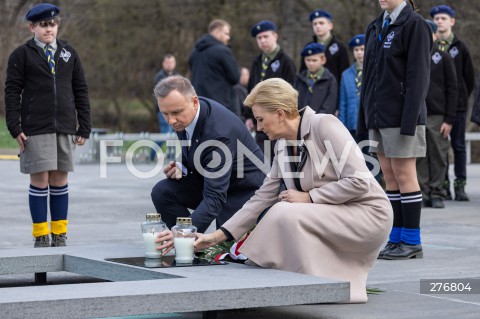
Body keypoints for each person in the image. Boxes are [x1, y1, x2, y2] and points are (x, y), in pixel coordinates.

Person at [158, 78, 392, 303]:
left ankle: (278, 272)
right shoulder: (282, 144)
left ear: (280, 114)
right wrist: (215, 237)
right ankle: (316, 285)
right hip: (331, 214)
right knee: (282, 209)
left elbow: (361, 181)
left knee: (284, 210)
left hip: (367, 214)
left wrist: (310, 197)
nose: (258, 128)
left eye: (260, 119)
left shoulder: (325, 125)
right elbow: (262, 197)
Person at [4, 3, 91, 247]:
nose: (49, 29)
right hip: (35, 128)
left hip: (64, 126)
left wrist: (84, 125)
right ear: (32, 27)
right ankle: (41, 234)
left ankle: (60, 232)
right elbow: (12, 93)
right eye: (43, 25)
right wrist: (15, 126)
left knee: (60, 180)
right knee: (40, 180)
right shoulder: (21, 55)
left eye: (53, 24)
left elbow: (80, 89)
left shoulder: (68, 52)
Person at [358, 0, 432, 260]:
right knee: (389, 176)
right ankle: (396, 238)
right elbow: (368, 76)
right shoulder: (376, 25)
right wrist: (363, 117)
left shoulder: (415, 25)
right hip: (378, 115)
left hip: (402, 117)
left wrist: (409, 120)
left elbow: (418, 76)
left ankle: (412, 240)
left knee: (404, 174)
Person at [150, 76, 265, 233]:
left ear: (195, 102)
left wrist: (184, 234)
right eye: (165, 114)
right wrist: (181, 166)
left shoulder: (219, 132)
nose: (171, 121)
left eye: (176, 112)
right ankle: (190, 249)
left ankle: (186, 242)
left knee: (226, 253)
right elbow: (194, 148)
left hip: (244, 192)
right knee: (162, 192)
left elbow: (215, 198)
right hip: (216, 181)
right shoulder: (185, 114)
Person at [430, 5, 475, 202]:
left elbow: (469, 78)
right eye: (437, 18)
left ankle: (460, 184)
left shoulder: (460, 46)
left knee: (458, 145)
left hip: (458, 106)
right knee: (440, 147)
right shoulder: (430, 46)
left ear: (452, 21)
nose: (440, 21)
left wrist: (461, 97)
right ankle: (444, 185)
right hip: (438, 107)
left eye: (443, 18)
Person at [417, 20, 458, 209]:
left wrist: (449, 119)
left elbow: (452, 89)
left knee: (438, 155)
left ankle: (437, 192)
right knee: (420, 156)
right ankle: (423, 192)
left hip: (437, 116)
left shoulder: (443, 58)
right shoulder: (414, 57)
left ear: (434, 35)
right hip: (417, 115)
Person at [247, 20, 296, 157]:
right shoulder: (257, 62)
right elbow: (251, 88)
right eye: (259, 38)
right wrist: (248, 115)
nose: (262, 40)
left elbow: (291, 93)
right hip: (259, 120)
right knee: (262, 159)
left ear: (275, 36)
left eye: (265, 36)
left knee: (280, 159)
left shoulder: (286, 62)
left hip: (278, 119)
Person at [189, 19, 240, 117]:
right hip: (222, 106)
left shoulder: (194, 53)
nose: (228, 37)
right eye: (226, 33)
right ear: (217, 32)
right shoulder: (223, 51)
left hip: (200, 106)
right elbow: (235, 78)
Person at [301, 9, 350, 87]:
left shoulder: (340, 47)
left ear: (330, 25)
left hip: (334, 91)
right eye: (315, 24)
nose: (317, 26)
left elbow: (345, 75)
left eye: (321, 23)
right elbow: (303, 73)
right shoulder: (308, 48)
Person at [294, 42, 337, 114]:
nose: (311, 63)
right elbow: (295, 102)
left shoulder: (330, 80)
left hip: (321, 122)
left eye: (314, 60)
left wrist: (315, 121)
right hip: (301, 121)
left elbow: (330, 105)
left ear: (323, 60)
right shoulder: (299, 79)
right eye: (308, 60)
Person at [154, 54, 179, 135]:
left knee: (174, 135)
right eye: (167, 62)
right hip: (164, 110)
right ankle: (152, 148)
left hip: (175, 110)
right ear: (163, 63)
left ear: (175, 63)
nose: (169, 64)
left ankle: (173, 148)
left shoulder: (178, 76)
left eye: (171, 62)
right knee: (166, 134)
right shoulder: (159, 77)